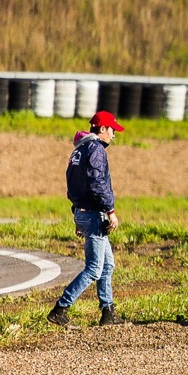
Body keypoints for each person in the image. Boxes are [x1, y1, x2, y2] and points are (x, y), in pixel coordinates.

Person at [48, 111, 125, 327]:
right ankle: (61, 308)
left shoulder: (79, 150)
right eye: (112, 130)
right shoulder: (96, 149)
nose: (114, 135)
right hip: (94, 214)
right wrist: (110, 210)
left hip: (83, 212)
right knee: (94, 268)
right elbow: (97, 184)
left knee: (108, 265)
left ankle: (108, 312)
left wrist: (77, 214)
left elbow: (73, 184)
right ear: (102, 129)